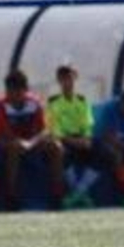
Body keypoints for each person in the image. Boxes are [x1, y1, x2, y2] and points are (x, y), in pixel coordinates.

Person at [0, 69, 64, 210]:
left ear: (24, 90)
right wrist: (21, 143)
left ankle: (58, 194)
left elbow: (45, 130)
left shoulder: (35, 103)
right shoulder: (2, 104)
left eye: (15, 92)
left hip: (31, 143)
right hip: (7, 143)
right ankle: (11, 196)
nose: (10, 95)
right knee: (14, 147)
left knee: (57, 147)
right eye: (8, 91)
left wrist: (30, 143)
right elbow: (5, 133)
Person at [45, 63, 98, 208]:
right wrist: (72, 140)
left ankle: (78, 192)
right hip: (63, 140)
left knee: (102, 152)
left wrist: (86, 138)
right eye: (63, 79)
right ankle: (77, 193)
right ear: (58, 81)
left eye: (70, 78)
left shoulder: (82, 100)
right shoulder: (52, 102)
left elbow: (87, 123)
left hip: (80, 139)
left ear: (75, 78)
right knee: (62, 153)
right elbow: (53, 128)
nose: (67, 82)